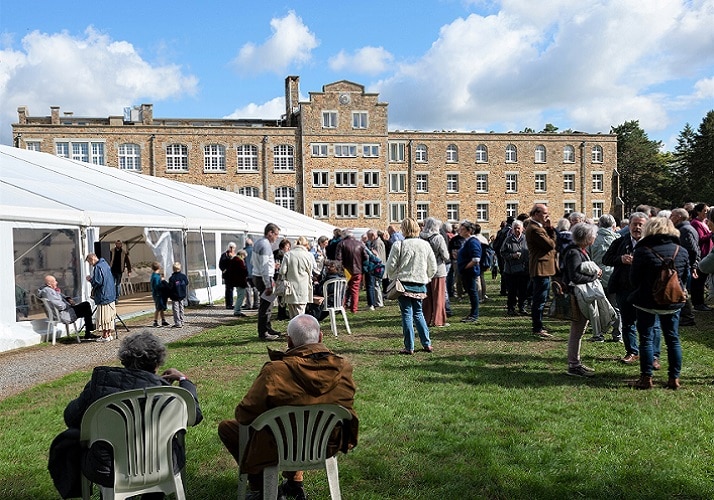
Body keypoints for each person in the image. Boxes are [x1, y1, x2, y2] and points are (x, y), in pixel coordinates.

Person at [217, 315, 358, 500]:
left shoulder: (275, 370)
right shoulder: (344, 368)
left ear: (289, 341)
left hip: (280, 446)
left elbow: (244, 414)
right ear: (321, 337)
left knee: (229, 428)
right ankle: (295, 483)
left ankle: (261, 488)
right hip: (325, 443)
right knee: (300, 422)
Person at [48, 331, 203, 499]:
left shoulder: (99, 384)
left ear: (124, 358)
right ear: (158, 362)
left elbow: (71, 417)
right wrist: (183, 379)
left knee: (78, 442)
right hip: (163, 464)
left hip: (107, 469)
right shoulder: (169, 395)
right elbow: (195, 415)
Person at [630, 217, 689, 390]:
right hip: (673, 301)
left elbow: (634, 280)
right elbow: (683, 280)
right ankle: (674, 378)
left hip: (646, 301)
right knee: (673, 339)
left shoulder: (642, 250)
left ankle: (646, 378)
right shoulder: (681, 250)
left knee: (646, 339)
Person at [603, 212, 662, 366]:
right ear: (629, 226)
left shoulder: (653, 243)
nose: (637, 227)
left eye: (640, 224)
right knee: (628, 321)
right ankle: (632, 352)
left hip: (647, 290)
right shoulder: (620, 242)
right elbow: (606, 259)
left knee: (653, 323)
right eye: (634, 224)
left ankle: (654, 356)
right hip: (625, 289)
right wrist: (620, 259)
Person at [561, 223, 608, 377]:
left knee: (578, 331)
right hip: (578, 296)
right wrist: (595, 276)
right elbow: (575, 276)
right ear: (587, 237)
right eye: (593, 235)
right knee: (577, 332)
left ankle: (575, 363)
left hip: (581, 295)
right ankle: (574, 365)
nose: (595, 237)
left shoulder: (579, 250)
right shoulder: (574, 252)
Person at [386, 217, 437, 354]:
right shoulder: (425, 245)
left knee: (407, 314)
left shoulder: (399, 244)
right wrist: (427, 277)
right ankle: (426, 343)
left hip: (403, 282)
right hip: (419, 282)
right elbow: (433, 266)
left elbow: (390, 266)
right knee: (418, 313)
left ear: (403, 229)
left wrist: (392, 277)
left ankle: (409, 346)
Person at [588, 214, 622, 342]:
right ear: (613, 225)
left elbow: (589, 258)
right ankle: (617, 334)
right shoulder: (618, 238)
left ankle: (598, 334)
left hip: (598, 276)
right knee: (616, 306)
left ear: (599, 225)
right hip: (614, 276)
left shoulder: (593, 239)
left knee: (597, 307)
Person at [525, 204, 557, 339]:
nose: (547, 216)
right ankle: (537, 327)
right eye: (545, 213)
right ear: (536, 213)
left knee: (541, 298)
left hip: (542, 267)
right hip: (540, 268)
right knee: (540, 300)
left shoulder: (537, 227)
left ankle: (538, 325)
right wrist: (550, 229)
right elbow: (551, 244)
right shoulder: (535, 229)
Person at [38, 275, 98, 340]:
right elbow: (59, 306)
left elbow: (60, 296)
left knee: (86, 307)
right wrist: (69, 305)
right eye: (54, 281)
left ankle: (88, 332)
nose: (56, 282)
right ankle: (88, 332)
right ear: (49, 284)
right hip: (64, 314)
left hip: (64, 312)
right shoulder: (48, 292)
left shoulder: (48, 290)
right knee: (86, 306)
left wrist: (67, 298)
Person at [251, 223, 281, 341]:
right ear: (270, 233)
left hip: (259, 275)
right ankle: (263, 332)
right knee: (265, 306)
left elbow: (258, 263)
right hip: (264, 278)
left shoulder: (259, 242)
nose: (277, 237)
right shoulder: (265, 245)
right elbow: (264, 266)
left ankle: (267, 328)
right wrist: (268, 284)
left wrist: (272, 266)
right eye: (276, 234)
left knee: (267, 305)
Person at [670, 208, 700, 326]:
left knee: (682, 291)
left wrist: (692, 266)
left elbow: (692, 250)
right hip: (685, 265)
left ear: (679, 217)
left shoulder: (685, 230)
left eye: (672, 216)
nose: (670, 218)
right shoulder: (684, 228)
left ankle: (687, 317)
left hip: (684, 266)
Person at [420, 217, 450, 327]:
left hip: (425, 270)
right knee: (439, 296)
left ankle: (426, 318)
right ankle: (438, 320)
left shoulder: (421, 237)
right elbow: (445, 255)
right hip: (438, 269)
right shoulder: (438, 238)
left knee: (427, 297)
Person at [280, 236, 315, 318]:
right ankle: (299, 330)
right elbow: (311, 270)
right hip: (303, 287)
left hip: (290, 288)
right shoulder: (308, 255)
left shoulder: (288, 255)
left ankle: (293, 330)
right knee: (301, 313)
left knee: (292, 314)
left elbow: (282, 271)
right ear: (306, 245)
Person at [335, 229, 368, 313]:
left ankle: (342, 307)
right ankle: (354, 308)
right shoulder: (360, 244)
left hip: (345, 270)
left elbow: (338, 259)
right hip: (357, 270)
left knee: (343, 290)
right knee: (355, 290)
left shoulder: (341, 243)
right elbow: (365, 257)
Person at [500, 220, 529, 316]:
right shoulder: (508, 240)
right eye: (515, 228)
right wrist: (512, 256)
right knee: (512, 291)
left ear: (522, 229)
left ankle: (522, 307)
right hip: (511, 271)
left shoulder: (526, 239)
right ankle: (511, 308)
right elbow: (502, 253)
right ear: (512, 229)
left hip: (524, 270)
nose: (517, 230)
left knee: (523, 290)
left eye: (518, 228)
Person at [85, 252, 116, 342]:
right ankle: (109, 334)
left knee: (103, 316)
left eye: (89, 262)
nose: (90, 265)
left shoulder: (98, 267)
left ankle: (105, 335)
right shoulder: (105, 264)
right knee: (110, 316)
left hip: (103, 295)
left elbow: (98, 282)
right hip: (110, 293)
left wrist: (90, 280)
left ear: (92, 259)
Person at [456, 221, 482, 324]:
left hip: (470, 272)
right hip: (467, 272)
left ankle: (474, 314)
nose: (459, 231)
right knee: (471, 293)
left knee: (473, 293)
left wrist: (464, 267)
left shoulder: (473, 242)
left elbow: (476, 259)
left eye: (462, 229)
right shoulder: (467, 241)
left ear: (469, 231)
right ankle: (472, 313)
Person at [689, 203, 712, 311]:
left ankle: (701, 302)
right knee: (698, 280)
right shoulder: (696, 223)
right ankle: (698, 303)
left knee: (702, 280)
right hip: (702, 253)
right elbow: (701, 238)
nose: (706, 213)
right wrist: (711, 234)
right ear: (698, 212)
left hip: (707, 252)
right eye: (705, 211)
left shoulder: (704, 223)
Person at [365, 229, 386, 310]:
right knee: (376, 285)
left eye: (369, 237)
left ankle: (379, 302)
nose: (369, 238)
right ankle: (378, 302)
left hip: (377, 267)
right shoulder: (375, 242)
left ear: (373, 235)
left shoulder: (377, 243)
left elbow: (378, 257)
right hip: (377, 267)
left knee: (377, 285)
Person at [227, 249, 249, 317]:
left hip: (236, 281)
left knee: (240, 295)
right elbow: (243, 271)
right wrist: (247, 272)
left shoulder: (234, 260)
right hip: (240, 281)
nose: (244, 258)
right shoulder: (239, 261)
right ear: (242, 255)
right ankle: (237, 311)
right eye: (244, 257)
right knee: (241, 296)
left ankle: (237, 310)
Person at [168, 262, 189, 328]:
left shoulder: (172, 278)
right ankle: (182, 321)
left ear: (173, 269)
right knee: (181, 308)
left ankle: (178, 323)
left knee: (176, 309)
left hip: (174, 296)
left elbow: (170, 287)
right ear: (180, 268)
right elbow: (187, 283)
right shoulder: (183, 276)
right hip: (182, 295)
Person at [150, 261, 170, 328]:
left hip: (159, 294)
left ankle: (163, 320)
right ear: (158, 267)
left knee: (161, 308)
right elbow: (157, 286)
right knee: (158, 308)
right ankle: (155, 321)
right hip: (158, 294)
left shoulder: (156, 276)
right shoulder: (155, 277)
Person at [219, 242, 237, 310]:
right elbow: (221, 264)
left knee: (232, 289)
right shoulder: (224, 255)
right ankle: (228, 304)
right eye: (230, 247)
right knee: (228, 289)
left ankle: (231, 303)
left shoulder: (235, 255)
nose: (232, 249)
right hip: (227, 275)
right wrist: (224, 270)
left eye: (233, 247)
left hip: (234, 275)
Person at [244, 239, 259, 310]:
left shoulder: (243, 251)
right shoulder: (255, 251)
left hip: (246, 273)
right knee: (255, 289)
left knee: (248, 289)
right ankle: (256, 304)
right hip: (255, 273)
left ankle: (248, 304)